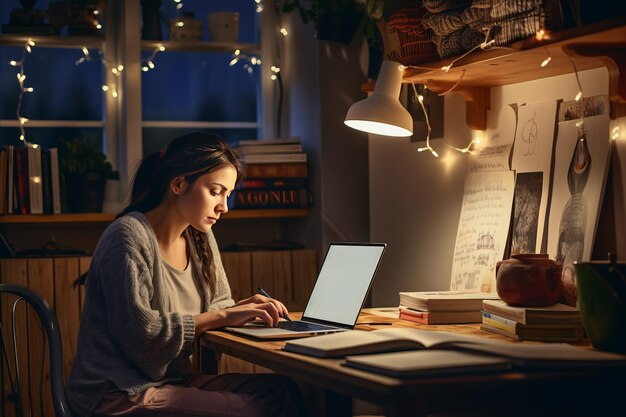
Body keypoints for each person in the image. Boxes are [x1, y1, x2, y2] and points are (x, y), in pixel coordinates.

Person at [66, 132, 309, 417]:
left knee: (282, 391)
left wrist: (240, 309)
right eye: (216, 191)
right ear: (179, 184)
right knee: (254, 409)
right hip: (119, 392)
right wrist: (224, 316)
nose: (224, 207)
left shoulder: (200, 236)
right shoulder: (128, 236)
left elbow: (217, 306)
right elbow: (143, 337)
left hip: (172, 381)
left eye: (228, 195)